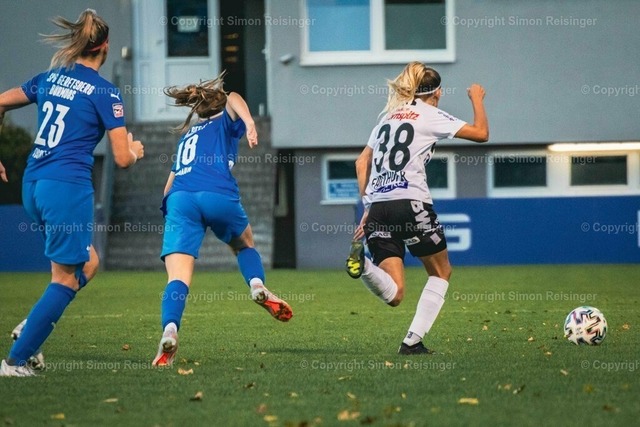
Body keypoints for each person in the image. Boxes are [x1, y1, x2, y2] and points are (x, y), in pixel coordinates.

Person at [0, 9, 144, 377]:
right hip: (66, 189)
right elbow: (122, 159)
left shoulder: (50, 78)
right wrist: (135, 150)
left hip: (33, 184)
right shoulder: (105, 92)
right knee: (64, 279)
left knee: (89, 263)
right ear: (105, 47)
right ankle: (15, 363)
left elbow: (0, 101)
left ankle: (32, 328)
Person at [345, 62, 489, 355]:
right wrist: (476, 98)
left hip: (378, 208)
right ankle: (412, 342)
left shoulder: (387, 118)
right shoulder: (430, 114)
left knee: (395, 293)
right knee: (441, 272)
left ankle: (364, 266)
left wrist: (368, 206)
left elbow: (362, 162)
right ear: (437, 93)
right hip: (411, 203)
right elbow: (481, 133)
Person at [152, 74, 293, 367]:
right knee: (244, 245)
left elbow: (170, 183)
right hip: (216, 193)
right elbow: (234, 97)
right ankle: (257, 285)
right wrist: (250, 123)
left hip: (180, 199)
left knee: (177, 278)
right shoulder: (223, 121)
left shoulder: (188, 136)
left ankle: (170, 331)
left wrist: (170, 212)